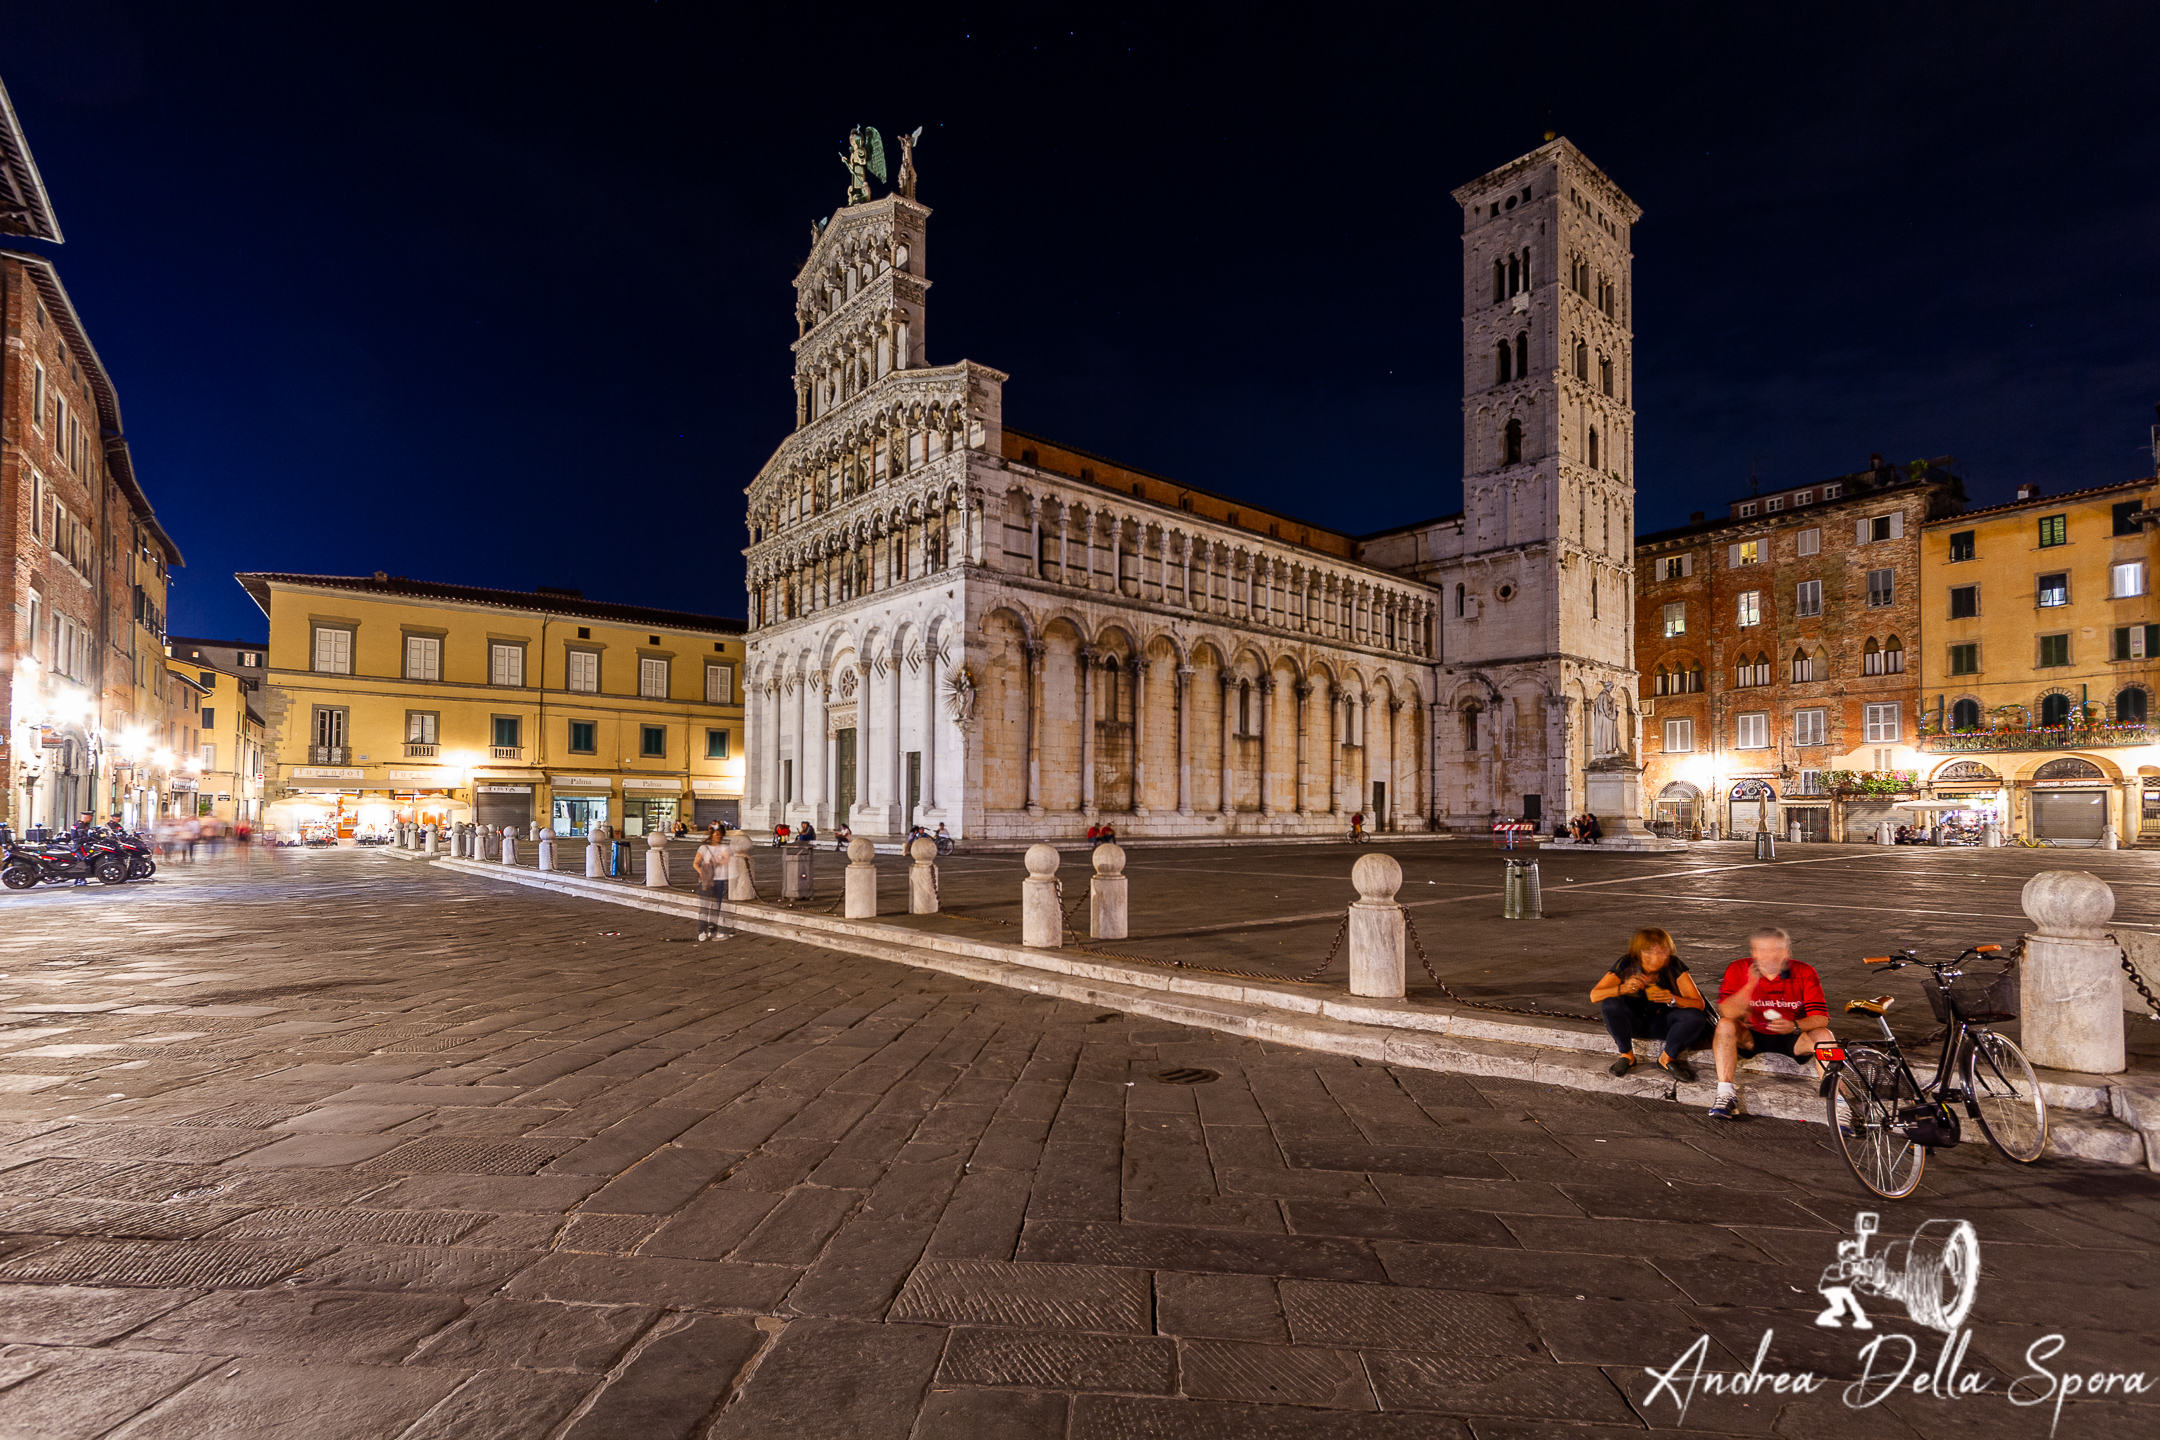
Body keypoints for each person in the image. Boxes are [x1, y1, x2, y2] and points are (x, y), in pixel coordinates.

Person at [1709, 924, 1834, 1120]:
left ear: (1787, 951)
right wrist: (1750, 984)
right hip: (1753, 1035)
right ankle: (1725, 1094)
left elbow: (1821, 1018)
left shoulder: (1804, 971)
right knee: (1724, 1024)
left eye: (1777, 950)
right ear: (1754, 952)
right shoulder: (1738, 968)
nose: (1770, 956)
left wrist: (1795, 1025)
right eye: (1763, 950)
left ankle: (1839, 1103)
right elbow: (1727, 1011)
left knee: (1825, 1036)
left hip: (1792, 1036)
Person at [1591, 928, 1710, 1083]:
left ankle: (1666, 1059)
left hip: (1663, 1024)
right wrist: (1623, 988)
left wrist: (1673, 999)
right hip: (1633, 1023)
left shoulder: (1674, 965)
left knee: (1694, 1016)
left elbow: (1698, 1004)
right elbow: (1594, 995)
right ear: (1638, 952)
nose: (1655, 957)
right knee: (1610, 1004)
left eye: (1661, 952)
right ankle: (1627, 1055)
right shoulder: (1626, 963)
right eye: (1648, 952)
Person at [692, 824, 733, 942]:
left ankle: (712, 930)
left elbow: (728, 858)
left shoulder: (724, 847)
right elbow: (695, 863)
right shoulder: (704, 848)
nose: (718, 836)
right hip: (706, 881)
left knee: (716, 906)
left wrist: (720, 860)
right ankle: (701, 930)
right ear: (711, 835)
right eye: (716, 834)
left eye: (720, 834)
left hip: (720, 880)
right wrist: (702, 873)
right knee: (704, 906)